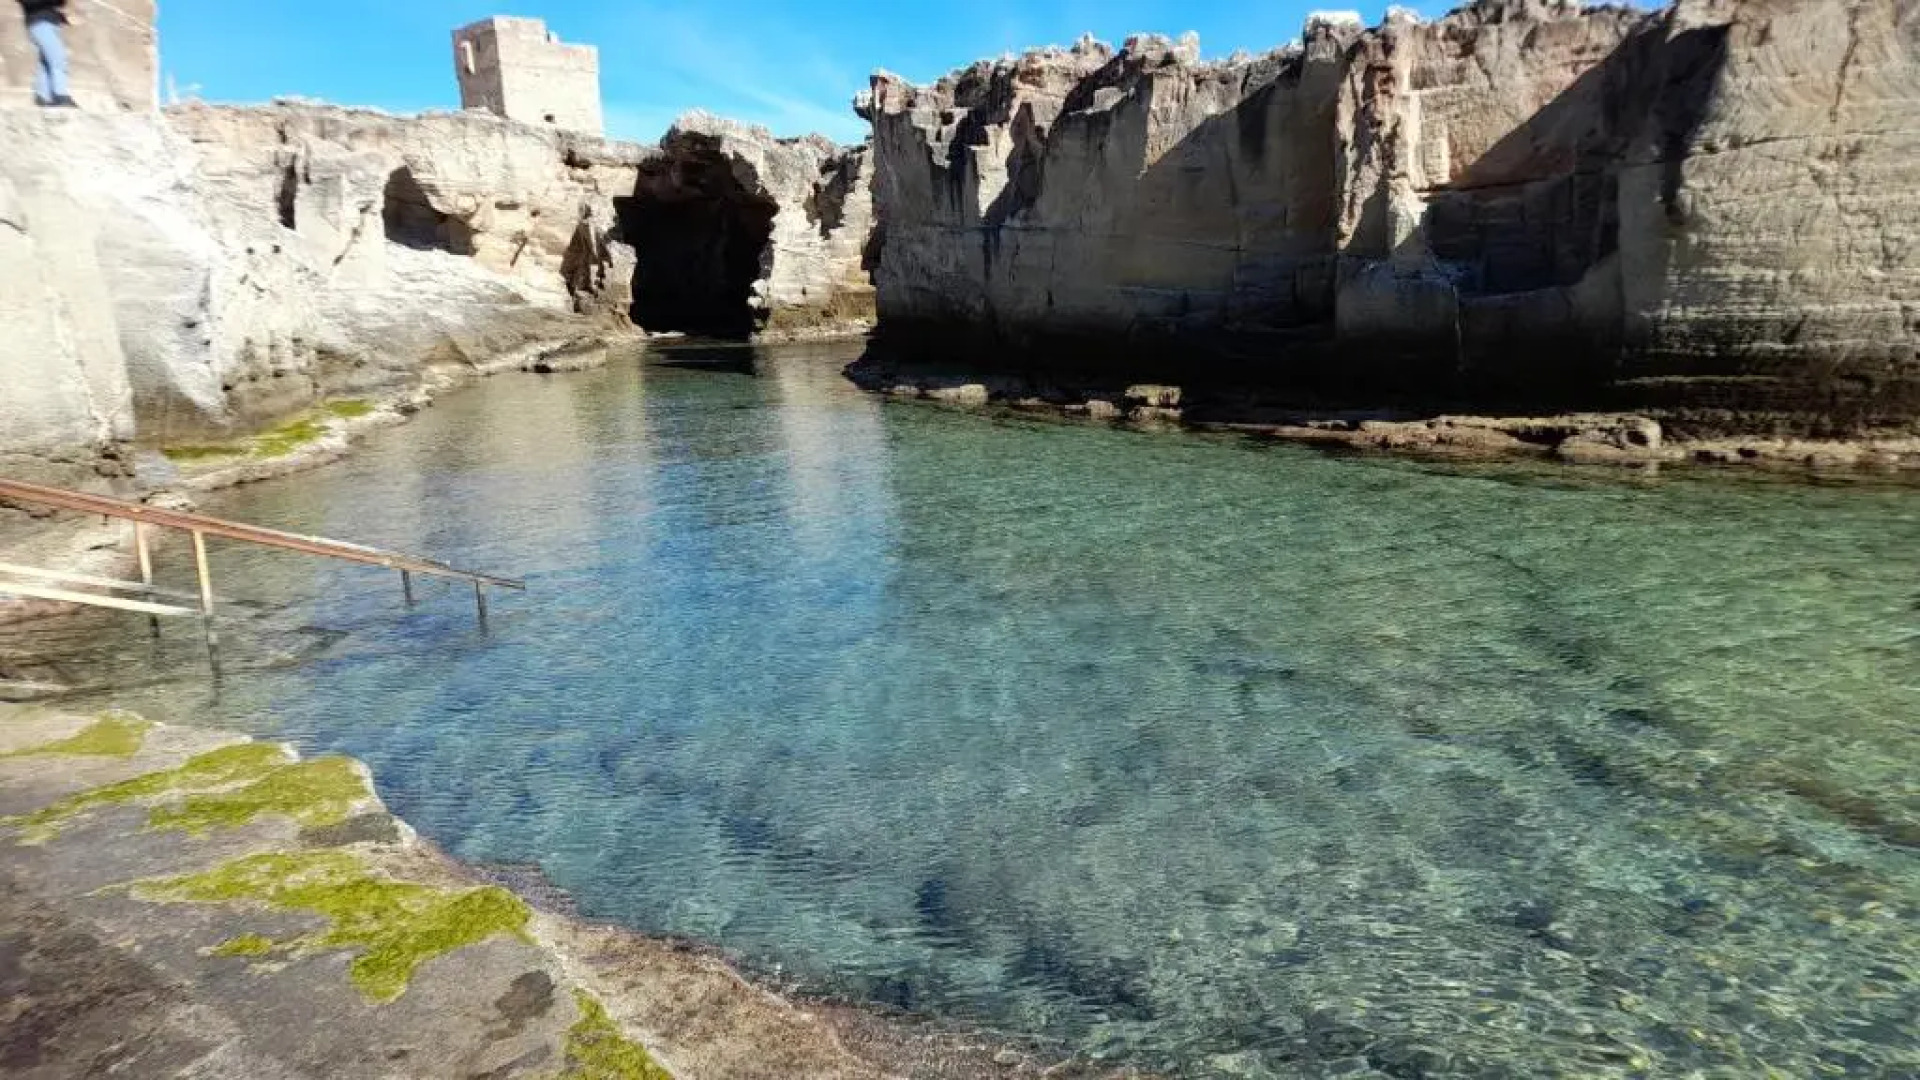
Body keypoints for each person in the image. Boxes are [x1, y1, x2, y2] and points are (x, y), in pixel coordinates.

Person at [18, 0, 75, 108]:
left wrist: (63, 18)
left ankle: (43, 96)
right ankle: (60, 95)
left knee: (46, 61)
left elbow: (50, 7)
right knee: (58, 58)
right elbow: (32, 4)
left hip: (48, 24)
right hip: (39, 24)